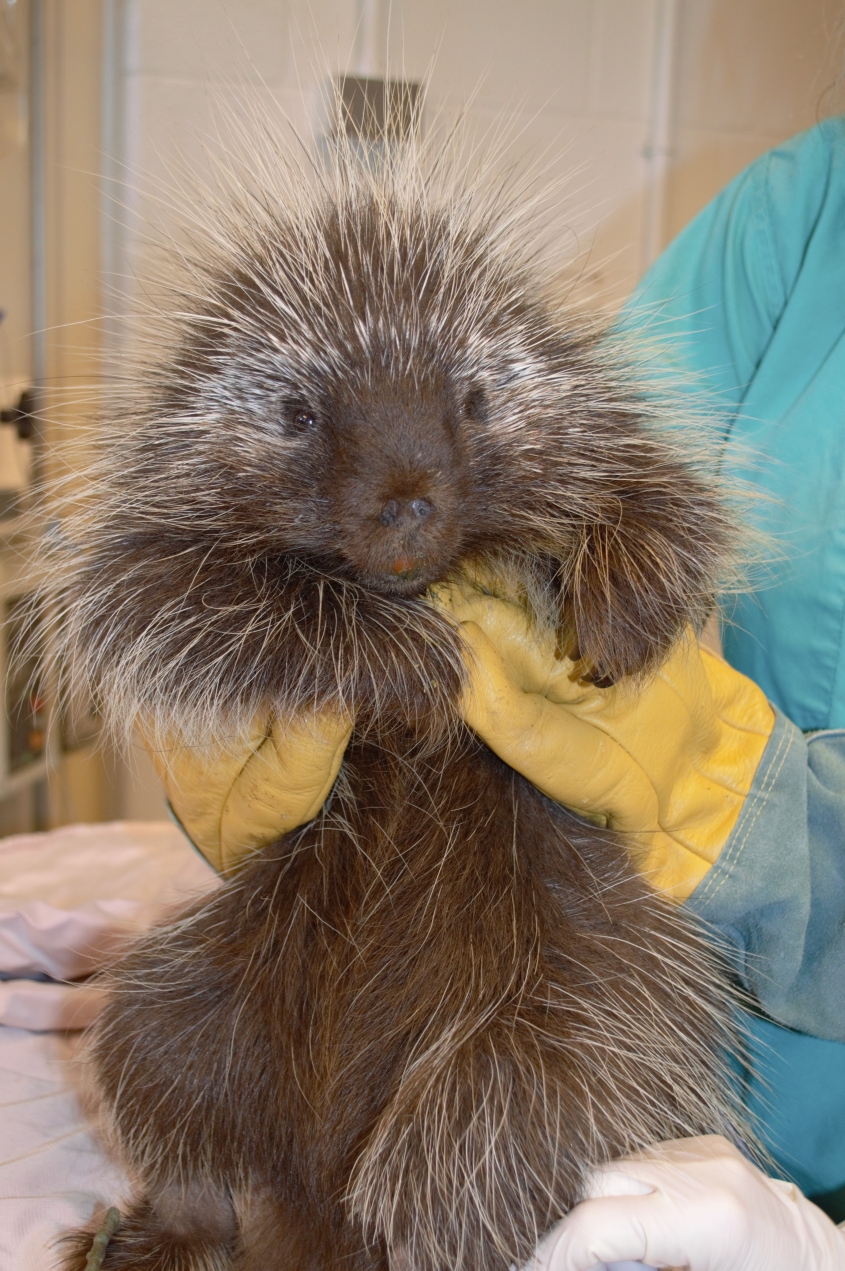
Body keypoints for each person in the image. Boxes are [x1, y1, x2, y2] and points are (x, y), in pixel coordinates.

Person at [150, 116, 845, 1266]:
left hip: (568, 976)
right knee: (166, 1033)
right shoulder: (801, 205)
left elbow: (630, 489)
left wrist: (717, 776)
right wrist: (224, 704)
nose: (408, 494)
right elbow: (626, 427)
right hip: (321, 936)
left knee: (498, 1147)